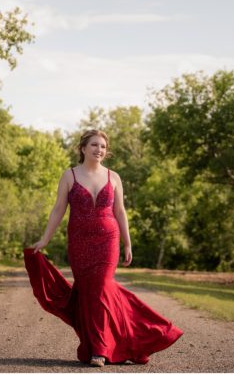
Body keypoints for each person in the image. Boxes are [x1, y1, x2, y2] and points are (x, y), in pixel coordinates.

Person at [24, 129, 183, 367]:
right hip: (79, 242)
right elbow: (59, 209)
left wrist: (127, 242)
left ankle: (100, 350)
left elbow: (120, 212)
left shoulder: (114, 177)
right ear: (83, 148)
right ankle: (104, 344)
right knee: (91, 293)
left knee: (102, 287)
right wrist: (45, 239)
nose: (99, 150)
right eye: (94, 145)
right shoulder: (69, 176)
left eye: (103, 147)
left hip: (108, 240)